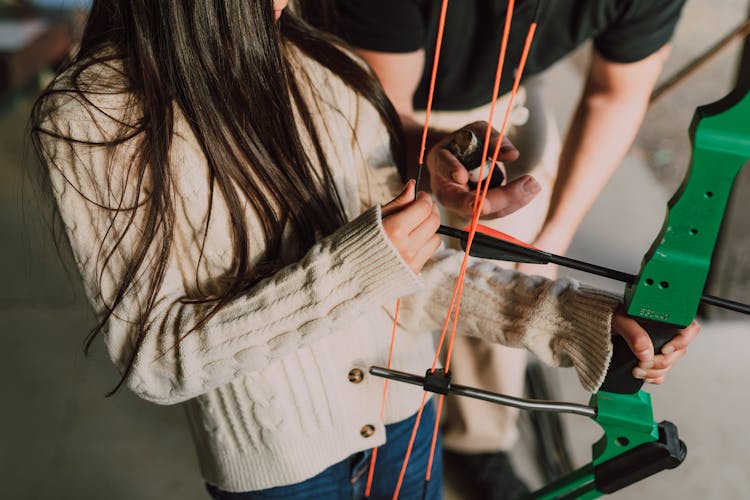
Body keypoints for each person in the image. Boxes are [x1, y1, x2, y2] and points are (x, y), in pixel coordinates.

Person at [30, 1, 698, 499]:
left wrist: (577, 323)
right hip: (285, 475)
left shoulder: (328, 65)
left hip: (408, 426)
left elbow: (413, 275)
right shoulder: (90, 119)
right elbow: (160, 359)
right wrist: (364, 262)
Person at [306, 1, 689, 496]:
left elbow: (615, 94)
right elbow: (381, 111)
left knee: (511, 260)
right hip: (366, 97)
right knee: (380, 261)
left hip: (500, 103)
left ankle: (478, 440)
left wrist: (553, 238)